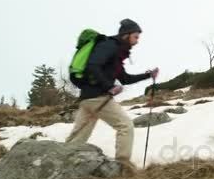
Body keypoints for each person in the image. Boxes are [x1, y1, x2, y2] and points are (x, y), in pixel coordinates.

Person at [65, 18, 158, 168]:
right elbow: (92, 65)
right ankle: (123, 166)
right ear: (126, 35)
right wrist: (109, 86)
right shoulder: (110, 46)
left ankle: (62, 162)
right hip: (98, 97)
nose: (137, 41)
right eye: (136, 37)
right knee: (125, 126)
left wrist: (148, 75)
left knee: (78, 138)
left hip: (88, 99)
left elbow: (125, 79)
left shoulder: (117, 53)